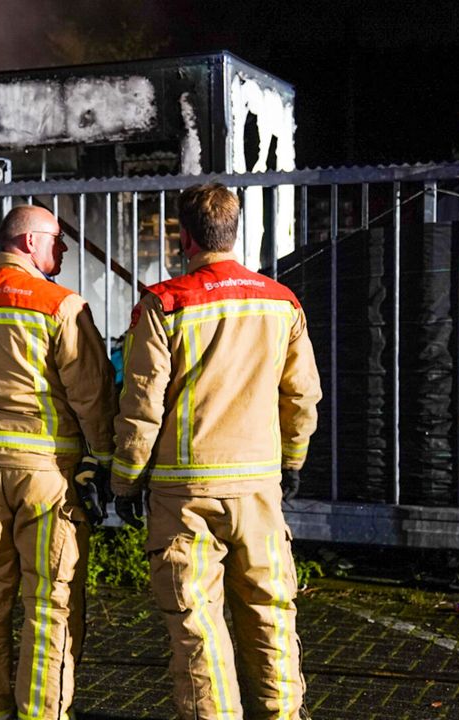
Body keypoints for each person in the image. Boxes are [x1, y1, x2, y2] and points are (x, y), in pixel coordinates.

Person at [111, 184, 321, 719]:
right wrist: (292, 460)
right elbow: (300, 395)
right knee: (271, 614)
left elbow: (142, 403)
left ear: (185, 238)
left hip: (185, 493)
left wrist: (126, 479)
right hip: (257, 490)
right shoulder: (282, 302)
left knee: (197, 628)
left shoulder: (165, 303)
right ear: (235, 231)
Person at [0, 205, 117, 720]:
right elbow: (92, 395)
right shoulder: (60, 306)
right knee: (50, 600)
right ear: (31, 241)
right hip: (47, 475)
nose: (62, 249)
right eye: (57, 239)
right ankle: (42, 712)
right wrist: (101, 460)